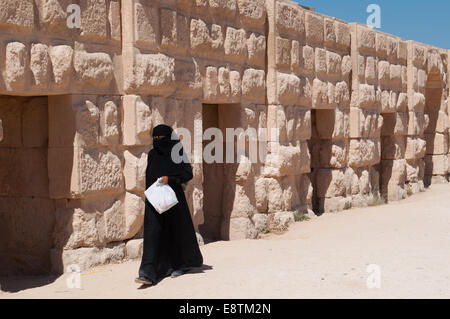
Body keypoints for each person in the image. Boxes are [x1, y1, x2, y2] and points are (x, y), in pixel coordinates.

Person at [135, 124, 203, 286]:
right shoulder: (152, 154)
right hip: (154, 200)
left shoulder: (177, 152)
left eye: (162, 138)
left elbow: (187, 173)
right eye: (155, 138)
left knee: (176, 232)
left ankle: (180, 264)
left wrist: (170, 179)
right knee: (152, 234)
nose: (158, 141)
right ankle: (147, 273)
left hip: (174, 200)